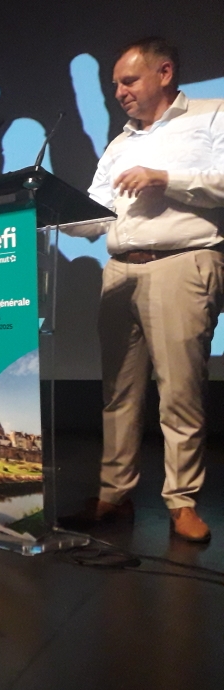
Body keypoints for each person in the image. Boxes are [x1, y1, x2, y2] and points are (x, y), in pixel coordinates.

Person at [61, 38, 224, 543]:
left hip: (182, 263)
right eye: (114, 85)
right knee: (119, 394)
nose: (119, 93)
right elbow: (93, 212)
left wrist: (165, 179)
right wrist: (50, 212)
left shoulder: (211, 116)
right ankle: (114, 495)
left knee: (180, 392)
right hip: (119, 270)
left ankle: (181, 503)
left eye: (128, 81)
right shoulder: (119, 143)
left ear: (165, 73)